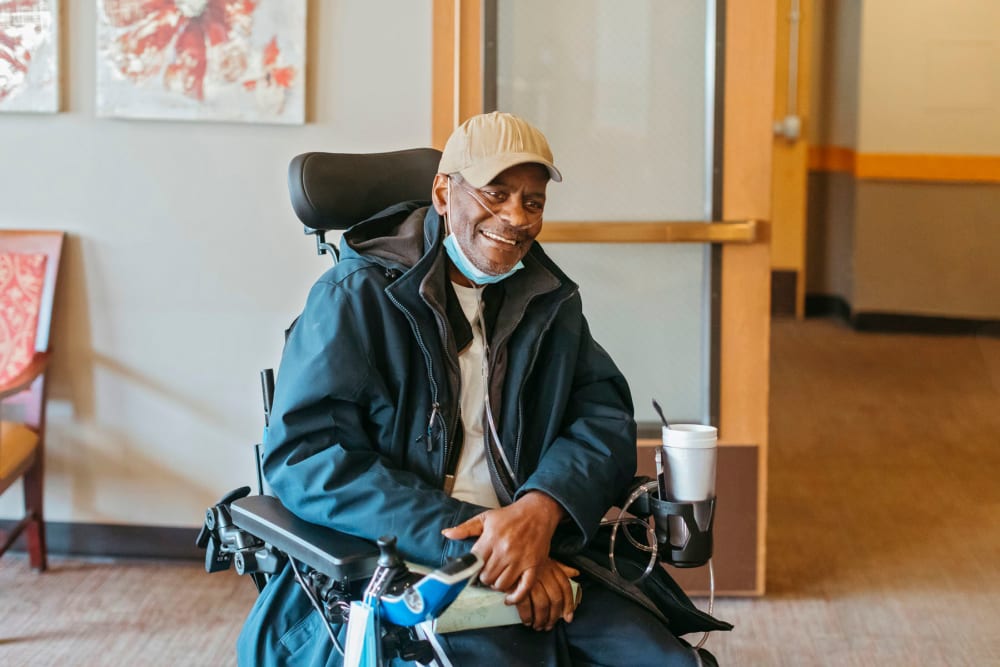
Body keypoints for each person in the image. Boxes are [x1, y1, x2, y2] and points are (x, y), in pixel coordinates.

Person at [237, 112, 728, 666]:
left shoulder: (547, 298)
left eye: (533, 202)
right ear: (444, 193)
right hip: (416, 561)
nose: (515, 218)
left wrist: (541, 511)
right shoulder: (356, 297)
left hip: (540, 541)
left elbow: (601, 418)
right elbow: (306, 458)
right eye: (495, 194)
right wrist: (485, 548)